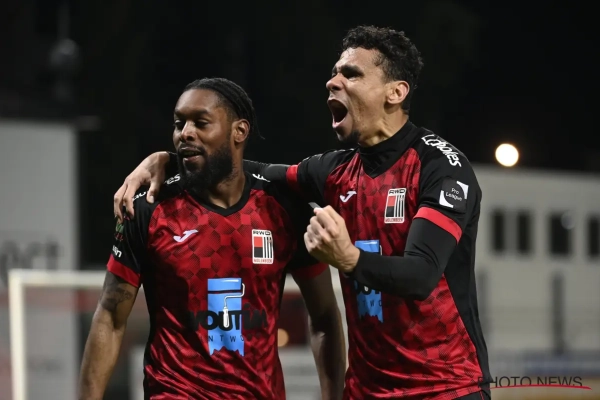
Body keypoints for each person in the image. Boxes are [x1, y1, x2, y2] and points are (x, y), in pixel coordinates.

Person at [113, 26, 491, 400]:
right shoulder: (334, 171)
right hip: (366, 391)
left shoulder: (440, 166)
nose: (332, 82)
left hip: (445, 388)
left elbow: (421, 275)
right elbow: (246, 170)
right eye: (334, 73)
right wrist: (169, 158)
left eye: (351, 74)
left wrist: (349, 258)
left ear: (396, 92)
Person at [79, 78, 346, 400]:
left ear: (239, 131)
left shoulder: (284, 209)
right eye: (179, 123)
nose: (185, 133)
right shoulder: (149, 210)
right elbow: (110, 317)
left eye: (201, 123)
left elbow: (324, 317)